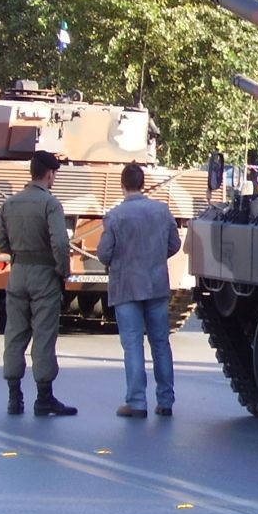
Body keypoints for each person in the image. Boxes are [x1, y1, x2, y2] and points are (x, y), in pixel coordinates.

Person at [97, 163, 181, 419]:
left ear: (122, 185)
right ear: (142, 183)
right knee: (160, 343)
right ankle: (165, 401)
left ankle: (136, 402)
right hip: (156, 285)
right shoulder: (161, 210)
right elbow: (174, 244)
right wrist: (155, 258)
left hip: (126, 287)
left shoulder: (115, 216)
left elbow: (104, 254)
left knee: (133, 345)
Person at [0, 150, 77, 416]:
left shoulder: (10, 204)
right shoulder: (50, 204)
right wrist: (63, 271)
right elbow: (60, 242)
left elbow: (2, 243)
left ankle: (13, 397)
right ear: (50, 174)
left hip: (18, 273)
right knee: (43, 336)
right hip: (44, 275)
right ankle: (44, 398)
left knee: (15, 334)